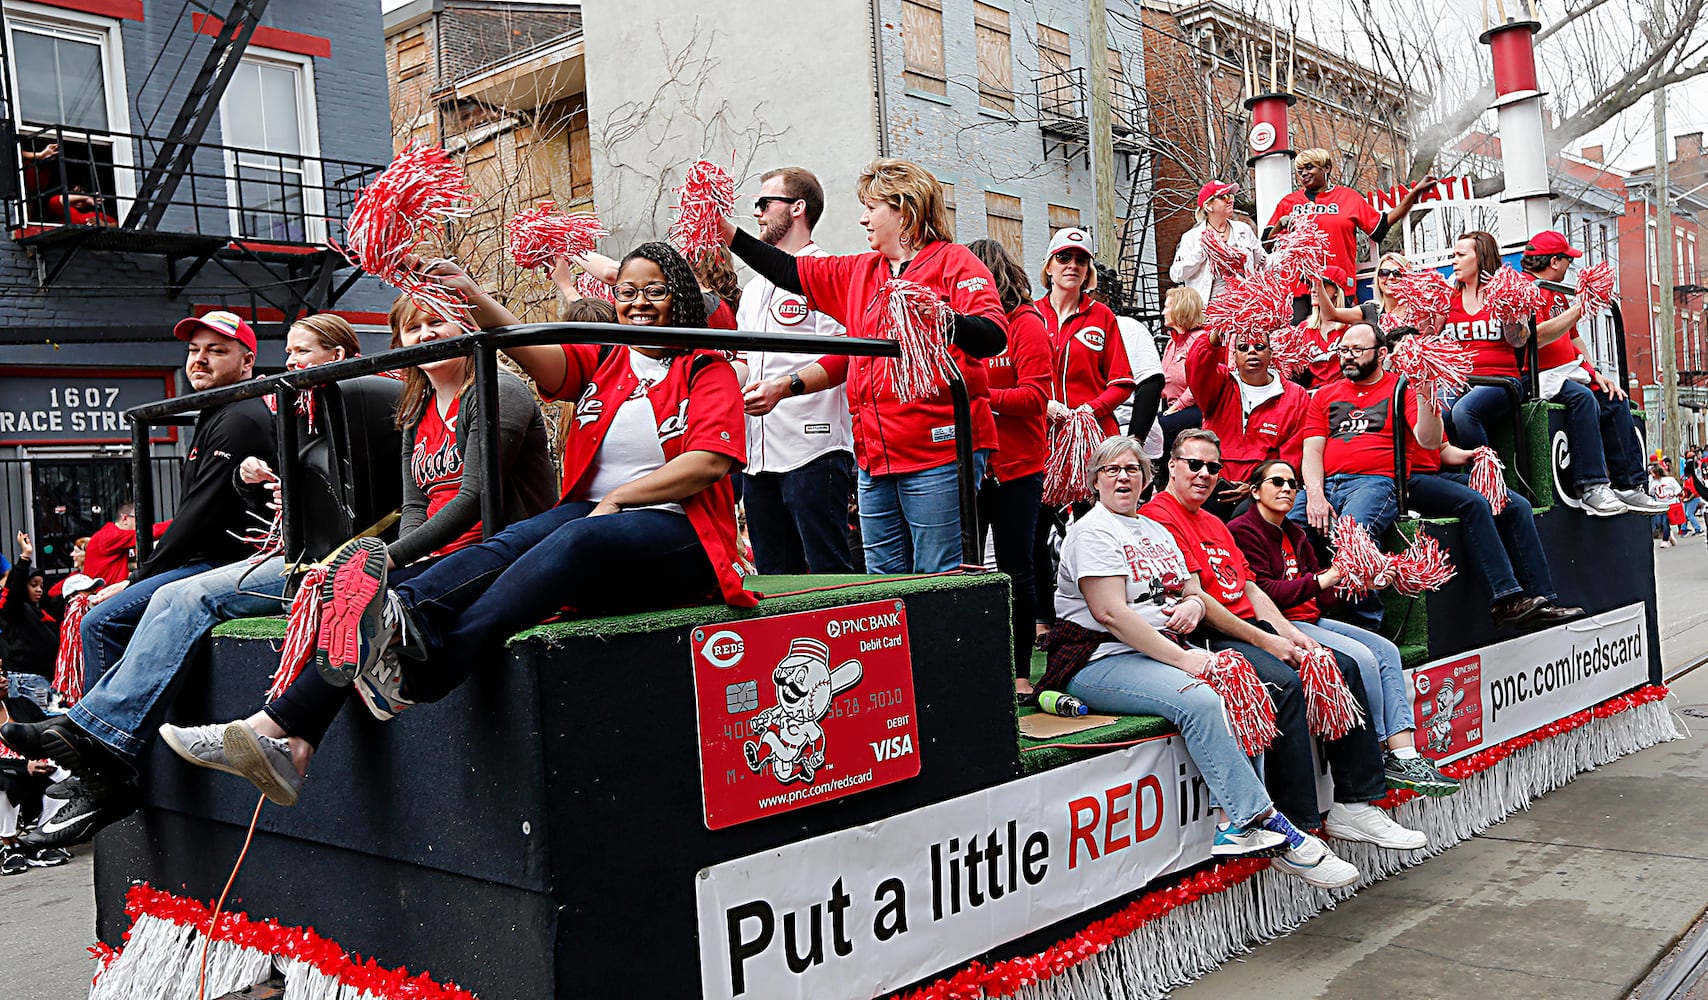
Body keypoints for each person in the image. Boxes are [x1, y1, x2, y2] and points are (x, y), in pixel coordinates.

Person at [289, 241, 756, 732]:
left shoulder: (707, 368)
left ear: (678, 297)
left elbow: (708, 463)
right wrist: (468, 292)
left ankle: (431, 672)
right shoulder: (605, 359)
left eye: (654, 291)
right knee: (515, 540)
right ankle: (297, 714)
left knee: (572, 536)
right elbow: (521, 340)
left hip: (683, 533)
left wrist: (620, 497)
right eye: (627, 291)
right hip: (596, 518)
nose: (638, 302)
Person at [0, 318, 415, 846]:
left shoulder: (348, 403)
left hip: (336, 566)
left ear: (340, 355)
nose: (289, 363)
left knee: (170, 598)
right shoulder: (298, 413)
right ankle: (95, 740)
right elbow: (302, 513)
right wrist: (262, 487)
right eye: (286, 351)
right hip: (300, 557)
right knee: (161, 599)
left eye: (304, 352)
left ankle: (100, 749)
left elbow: (367, 514)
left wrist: (136, 577)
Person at [153, 295, 559, 807]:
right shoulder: (417, 407)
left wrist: (393, 558)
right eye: (415, 327)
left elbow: (474, 496)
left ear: (468, 325)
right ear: (399, 342)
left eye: (439, 321)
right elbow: (415, 505)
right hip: (438, 560)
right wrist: (400, 557)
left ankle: (278, 732)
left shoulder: (498, 390)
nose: (427, 334)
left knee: (356, 596)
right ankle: (295, 742)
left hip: (497, 551)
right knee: (347, 591)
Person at [1041, 436, 1359, 888]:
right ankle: (1261, 821)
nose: (1123, 477)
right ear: (1095, 480)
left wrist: (1191, 605)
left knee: (1244, 679)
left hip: (1157, 648)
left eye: (1132, 469)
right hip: (1098, 658)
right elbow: (1110, 613)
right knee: (1203, 698)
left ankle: (1241, 823)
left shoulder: (1156, 530)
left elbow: (1190, 590)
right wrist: (1185, 661)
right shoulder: (1092, 532)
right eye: (1112, 470)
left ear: (1146, 478)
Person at [1141, 429, 1425, 850]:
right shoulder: (1162, 515)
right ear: (1171, 466)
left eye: (1213, 467)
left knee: (1337, 664)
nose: (1204, 474)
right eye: (1194, 464)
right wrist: (1269, 640)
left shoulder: (1215, 522)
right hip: (1206, 636)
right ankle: (1297, 828)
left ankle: (1356, 804)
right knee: (1285, 684)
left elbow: (1251, 589)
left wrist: (1291, 636)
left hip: (1250, 626)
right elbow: (1200, 598)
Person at [722, 158, 1007, 574]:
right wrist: (726, 232)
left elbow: (992, 335)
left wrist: (940, 317)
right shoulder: (860, 270)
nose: (862, 219)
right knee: (883, 582)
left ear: (904, 210)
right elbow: (787, 270)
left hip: (939, 451)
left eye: (872, 208)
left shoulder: (954, 262)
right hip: (875, 456)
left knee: (938, 577)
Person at [1298, 322, 1583, 630]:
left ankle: (1535, 598)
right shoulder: (1328, 395)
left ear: (1379, 355)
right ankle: (1505, 599)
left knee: (1514, 504)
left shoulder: (1407, 388)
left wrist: (1473, 454)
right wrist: (1315, 493)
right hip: (1404, 480)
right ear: (1391, 354)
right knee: (1473, 502)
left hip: (1399, 478)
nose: (1349, 356)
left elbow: (1436, 444)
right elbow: (1312, 451)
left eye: (1357, 350)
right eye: (1344, 350)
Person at [74, 312, 278, 691]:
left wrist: (137, 578)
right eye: (193, 350)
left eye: (216, 351)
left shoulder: (240, 418)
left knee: (102, 622)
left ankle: (100, 738)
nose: (199, 360)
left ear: (248, 361)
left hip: (231, 563)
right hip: (213, 560)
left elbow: (199, 516)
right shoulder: (221, 408)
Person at [1230, 460, 1459, 796]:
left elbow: (1321, 596)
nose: (1286, 489)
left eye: (1293, 484)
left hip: (1310, 618)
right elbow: (1265, 591)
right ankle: (1380, 749)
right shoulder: (1242, 530)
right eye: (1276, 482)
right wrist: (1330, 575)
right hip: (1277, 625)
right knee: (1364, 659)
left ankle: (1406, 752)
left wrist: (1366, 583)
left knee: (1386, 650)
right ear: (1255, 490)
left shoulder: (1295, 533)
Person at [728, 167, 856, 574]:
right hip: (758, 456)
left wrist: (783, 388)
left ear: (797, 208)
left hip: (813, 450)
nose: (758, 213)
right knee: (774, 577)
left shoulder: (829, 272)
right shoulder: (752, 288)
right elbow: (747, 363)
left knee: (828, 570)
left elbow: (846, 357)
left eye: (765, 203)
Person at [1518, 231, 1668, 518]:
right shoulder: (1527, 289)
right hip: (1538, 376)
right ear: (1554, 261)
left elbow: (1574, 340)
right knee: (1583, 399)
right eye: (1567, 260)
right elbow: (1533, 337)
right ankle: (1592, 486)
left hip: (1568, 372)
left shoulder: (1558, 292)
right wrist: (1579, 308)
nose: (1569, 266)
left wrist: (1595, 372)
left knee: (1614, 397)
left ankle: (1630, 486)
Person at [968, 238, 1051, 693]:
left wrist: (978, 400)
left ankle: (1020, 674)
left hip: (1017, 467)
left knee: (1017, 567)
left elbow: (1035, 397)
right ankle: (978, 665)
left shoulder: (1024, 324)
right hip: (969, 467)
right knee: (967, 568)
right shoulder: (964, 329)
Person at [1266, 148, 1437, 319]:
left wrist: (1413, 195)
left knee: (1339, 340)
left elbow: (1381, 226)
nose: (1304, 173)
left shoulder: (1348, 198)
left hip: (1339, 287)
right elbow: (1266, 246)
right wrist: (1280, 224)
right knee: (1301, 340)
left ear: (1326, 167)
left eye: (1309, 167)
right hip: (1300, 290)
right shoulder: (1288, 202)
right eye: (1300, 171)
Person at [1185, 319, 1310, 512]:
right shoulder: (1220, 383)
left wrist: (1257, 487)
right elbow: (1197, 366)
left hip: (1263, 492)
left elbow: (1291, 457)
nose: (1251, 351)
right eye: (1243, 347)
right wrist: (1221, 329)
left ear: (1271, 353)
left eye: (1259, 346)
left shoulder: (1296, 395)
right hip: (1212, 482)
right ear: (1234, 355)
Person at [1440, 231, 1525, 449]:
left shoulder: (1504, 292)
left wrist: (1508, 311)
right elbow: (1427, 336)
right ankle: (1451, 476)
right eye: (1454, 255)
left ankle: (1486, 475)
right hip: (1460, 380)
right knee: (1438, 411)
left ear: (1480, 257)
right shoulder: (1449, 298)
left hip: (1501, 380)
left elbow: (1518, 341)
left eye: (1461, 255)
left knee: (1464, 411)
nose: (1454, 261)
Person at [0, 667, 73, 876]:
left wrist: (44, 758)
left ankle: (42, 839)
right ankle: (10, 846)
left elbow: (46, 734)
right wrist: (24, 767)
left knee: (62, 773)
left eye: (3, 672)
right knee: (3, 783)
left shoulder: (22, 706)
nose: (5, 679)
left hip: (33, 775)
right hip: (8, 777)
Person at [1092, 264, 1164, 447]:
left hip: (1126, 438)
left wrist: (1135, 440)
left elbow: (1150, 382)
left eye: (1087, 292)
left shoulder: (1127, 327)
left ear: (1105, 299)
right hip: (1090, 439)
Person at [1170, 181, 1265, 304]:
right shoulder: (1192, 237)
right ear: (1208, 206)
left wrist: (1288, 253)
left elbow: (1264, 262)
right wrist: (1202, 250)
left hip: (1246, 306)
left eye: (1231, 196)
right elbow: (1176, 274)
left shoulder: (1243, 230)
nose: (1230, 200)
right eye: (1224, 197)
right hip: (1211, 310)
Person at [0, 534, 58, 711]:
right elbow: (13, 590)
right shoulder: (16, 609)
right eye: (33, 584)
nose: (39, 589)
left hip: (42, 679)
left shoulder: (40, 611)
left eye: (41, 585)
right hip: (27, 680)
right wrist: (25, 556)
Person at [1157, 286, 1206, 461]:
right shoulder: (1173, 341)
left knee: (1160, 425)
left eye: (1167, 306)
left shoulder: (1200, 339)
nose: (1163, 312)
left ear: (1181, 308)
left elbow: (1199, 384)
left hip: (1199, 408)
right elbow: (1163, 380)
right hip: (1175, 406)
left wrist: (1174, 407)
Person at [1650, 462, 1684, 548]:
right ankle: (1669, 534)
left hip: (1669, 504)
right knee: (1659, 523)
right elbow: (1650, 492)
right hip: (1659, 505)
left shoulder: (1670, 480)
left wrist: (1674, 494)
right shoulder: (1654, 482)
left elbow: (1678, 488)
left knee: (1665, 522)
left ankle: (1665, 540)